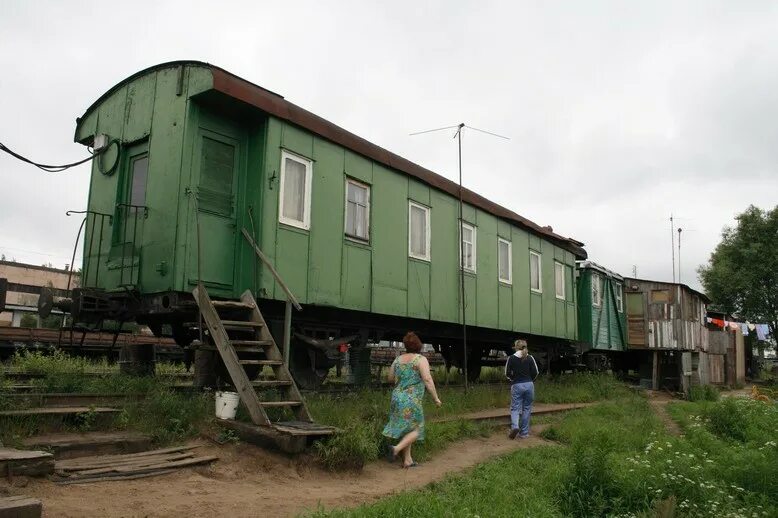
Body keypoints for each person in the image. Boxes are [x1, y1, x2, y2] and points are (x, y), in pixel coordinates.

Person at [382, 331, 442, 468]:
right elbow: (427, 379)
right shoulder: (420, 359)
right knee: (417, 429)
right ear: (418, 345)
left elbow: (390, 378)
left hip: (396, 398)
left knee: (408, 429)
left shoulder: (397, 360)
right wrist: (436, 398)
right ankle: (395, 449)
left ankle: (407, 460)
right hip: (411, 400)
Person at [505, 339, 539, 439]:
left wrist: (513, 380)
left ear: (516, 347)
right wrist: (530, 381)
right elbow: (536, 372)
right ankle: (524, 433)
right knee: (527, 408)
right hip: (529, 385)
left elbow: (507, 373)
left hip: (517, 385)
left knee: (515, 408)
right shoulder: (530, 358)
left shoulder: (511, 358)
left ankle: (515, 427)